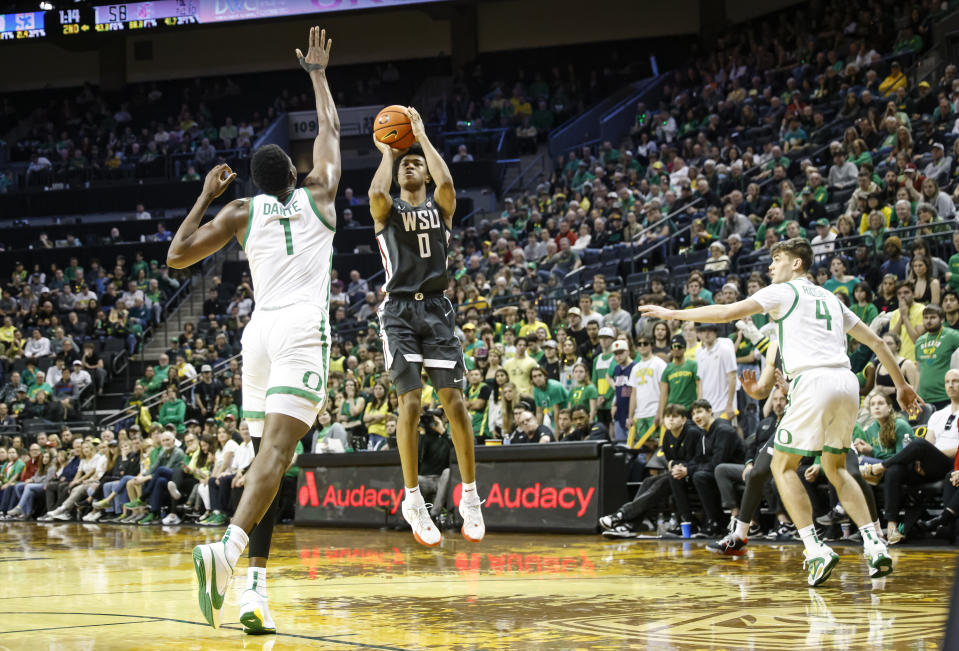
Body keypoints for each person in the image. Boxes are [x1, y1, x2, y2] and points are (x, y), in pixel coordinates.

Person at [178, 28, 341, 634]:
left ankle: (254, 591)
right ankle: (226, 552)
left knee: (267, 465)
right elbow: (329, 132)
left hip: (258, 336)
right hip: (300, 329)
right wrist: (319, 76)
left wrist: (202, 197)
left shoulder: (240, 213)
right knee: (275, 457)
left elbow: (177, 255)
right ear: (295, 175)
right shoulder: (320, 194)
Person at [640, 238, 921, 586]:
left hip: (813, 381)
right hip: (846, 383)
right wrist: (903, 385)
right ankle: (875, 544)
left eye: (777, 259)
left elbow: (727, 313)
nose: (771, 267)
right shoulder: (831, 299)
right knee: (836, 468)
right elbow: (877, 343)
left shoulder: (784, 291)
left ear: (797, 264)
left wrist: (673, 314)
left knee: (780, 466)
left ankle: (815, 549)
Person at [369, 103, 484, 548]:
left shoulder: (442, 207)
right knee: (411, 404)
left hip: (437, 309)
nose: (411, 166)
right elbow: (375, 196)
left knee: (453, 402)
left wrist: (420, 135)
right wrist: (387, 154)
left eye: (417, 163)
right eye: (406, 164)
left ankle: (470, 497)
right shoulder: (388, 209)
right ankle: (413, 499)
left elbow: (449, 182)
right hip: (397, 310)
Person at [914, 305, 959, 409]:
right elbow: (918, 369)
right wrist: (916, 392)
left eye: (933, 318)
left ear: (942, 319)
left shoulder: (952, 336)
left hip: (946, 395)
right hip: (924, 398)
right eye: (926, 318)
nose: (928, 321)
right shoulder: (919, 341)